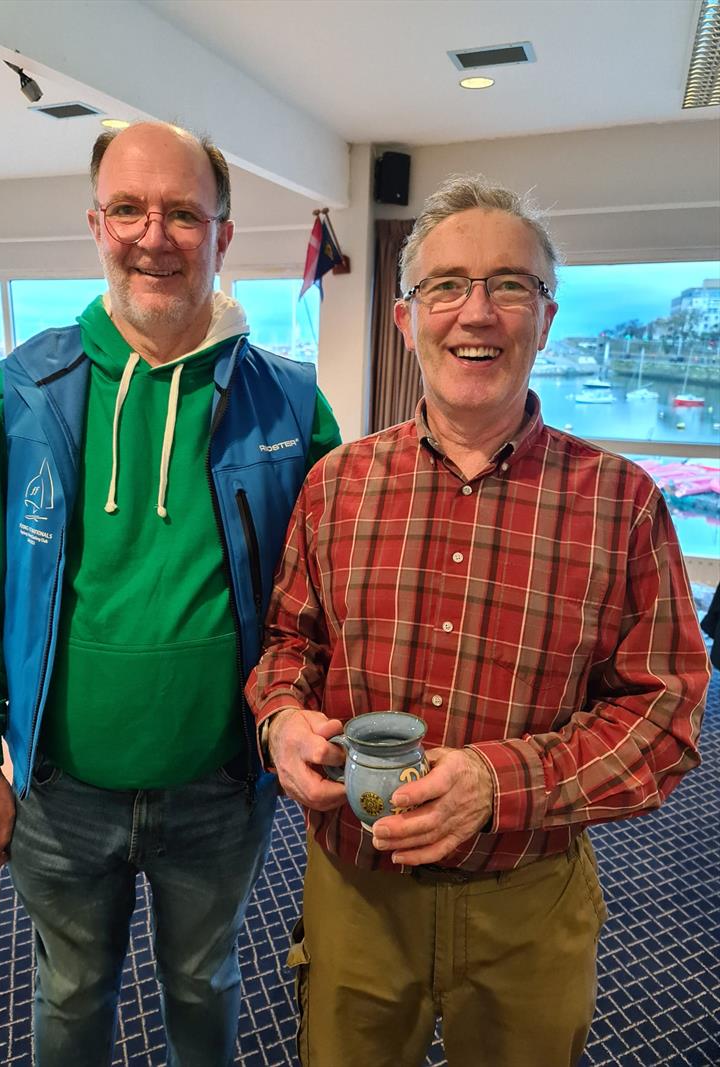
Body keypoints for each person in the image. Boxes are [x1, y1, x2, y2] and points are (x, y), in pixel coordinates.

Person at [246, 175, 711, 1067]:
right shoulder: (335, 484)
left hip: (527, 896)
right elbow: (287, 647)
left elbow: (664, 715)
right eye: (447, 285)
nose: (478, 311)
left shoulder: (623, 503)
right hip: (356, 886)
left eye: (510, 285)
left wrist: (501, 784)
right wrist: (280, 723)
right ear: (404, 317)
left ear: (546, 317)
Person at [0, 121, 340, 1067]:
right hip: (62, 789)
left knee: (205, 979)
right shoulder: (24, 392)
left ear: (224, 234)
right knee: (72, 990)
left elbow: (333, 592)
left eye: (182, 214)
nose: (153, 235)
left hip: (222, 785)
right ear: (95, 224)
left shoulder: (288, 402)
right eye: (128, 209)